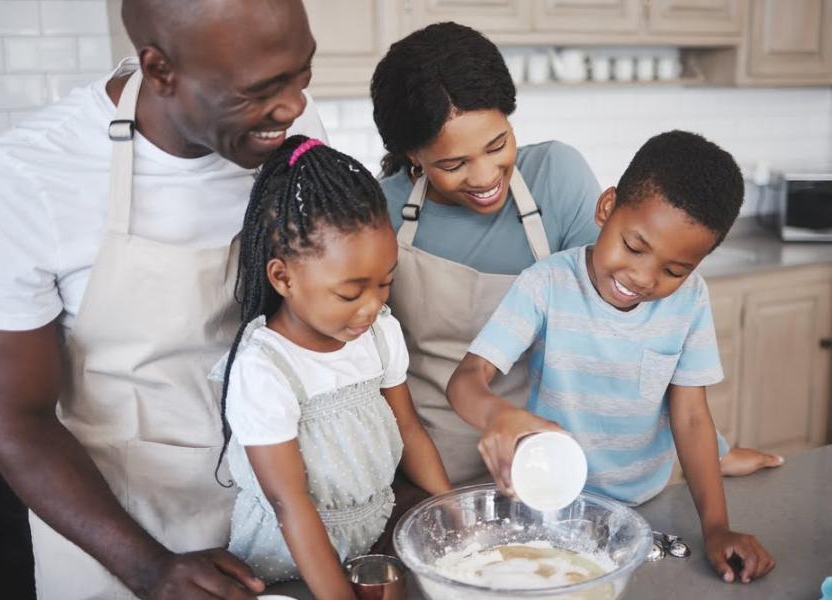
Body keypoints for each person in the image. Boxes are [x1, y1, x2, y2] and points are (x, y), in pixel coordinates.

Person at [0, 1, 325, 598]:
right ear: (160, 70)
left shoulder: (285, 133)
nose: (295, 105)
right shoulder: (27, 177)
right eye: (261, 90)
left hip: (276, 516)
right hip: (117, 542)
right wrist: (149, 567)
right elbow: (16, 421)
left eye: (302, 73)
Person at [370, 21, 782, 485]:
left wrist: (710, 452)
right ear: (412, 155)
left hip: (549, 466)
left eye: (498, 144)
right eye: (453, 163)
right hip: (427, 464)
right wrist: (434, 492)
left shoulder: (555, 176)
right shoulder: (378, 212)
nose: (485, 176)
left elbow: (627, 337)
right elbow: (374, 365)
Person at [448, 130, 776, 584]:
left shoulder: (690, 301)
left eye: (674, 270)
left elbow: (691, 418)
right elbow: (466, 379)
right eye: (634, 247)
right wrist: (496, 414)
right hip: (553, 498)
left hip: (647, 501)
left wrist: (716, 528)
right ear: (606, 208)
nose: (643, 277)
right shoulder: (546, 284)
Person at [209, 136, 451, 597]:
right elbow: (289, 502)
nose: (370, 307)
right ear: (283, 277)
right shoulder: (265, 370)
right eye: (350, 293)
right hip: (292, 561)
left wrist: (453, 512)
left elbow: (410, 429)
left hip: (371, 538)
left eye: (384, 284)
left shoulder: (378, 332)